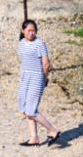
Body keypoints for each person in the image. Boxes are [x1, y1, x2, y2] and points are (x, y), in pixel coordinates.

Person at [16, 18, 59, 147]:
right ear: (23, 31)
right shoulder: (21, 43)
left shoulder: (40, 44)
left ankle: (53, 130)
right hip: (25, 78)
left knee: (31, 110)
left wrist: (45, 78)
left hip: (37, 79)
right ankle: (34, 137)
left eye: (34, 31)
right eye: (29, 31)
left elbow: (46, 64)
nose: (32, 33)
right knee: (24, 108)